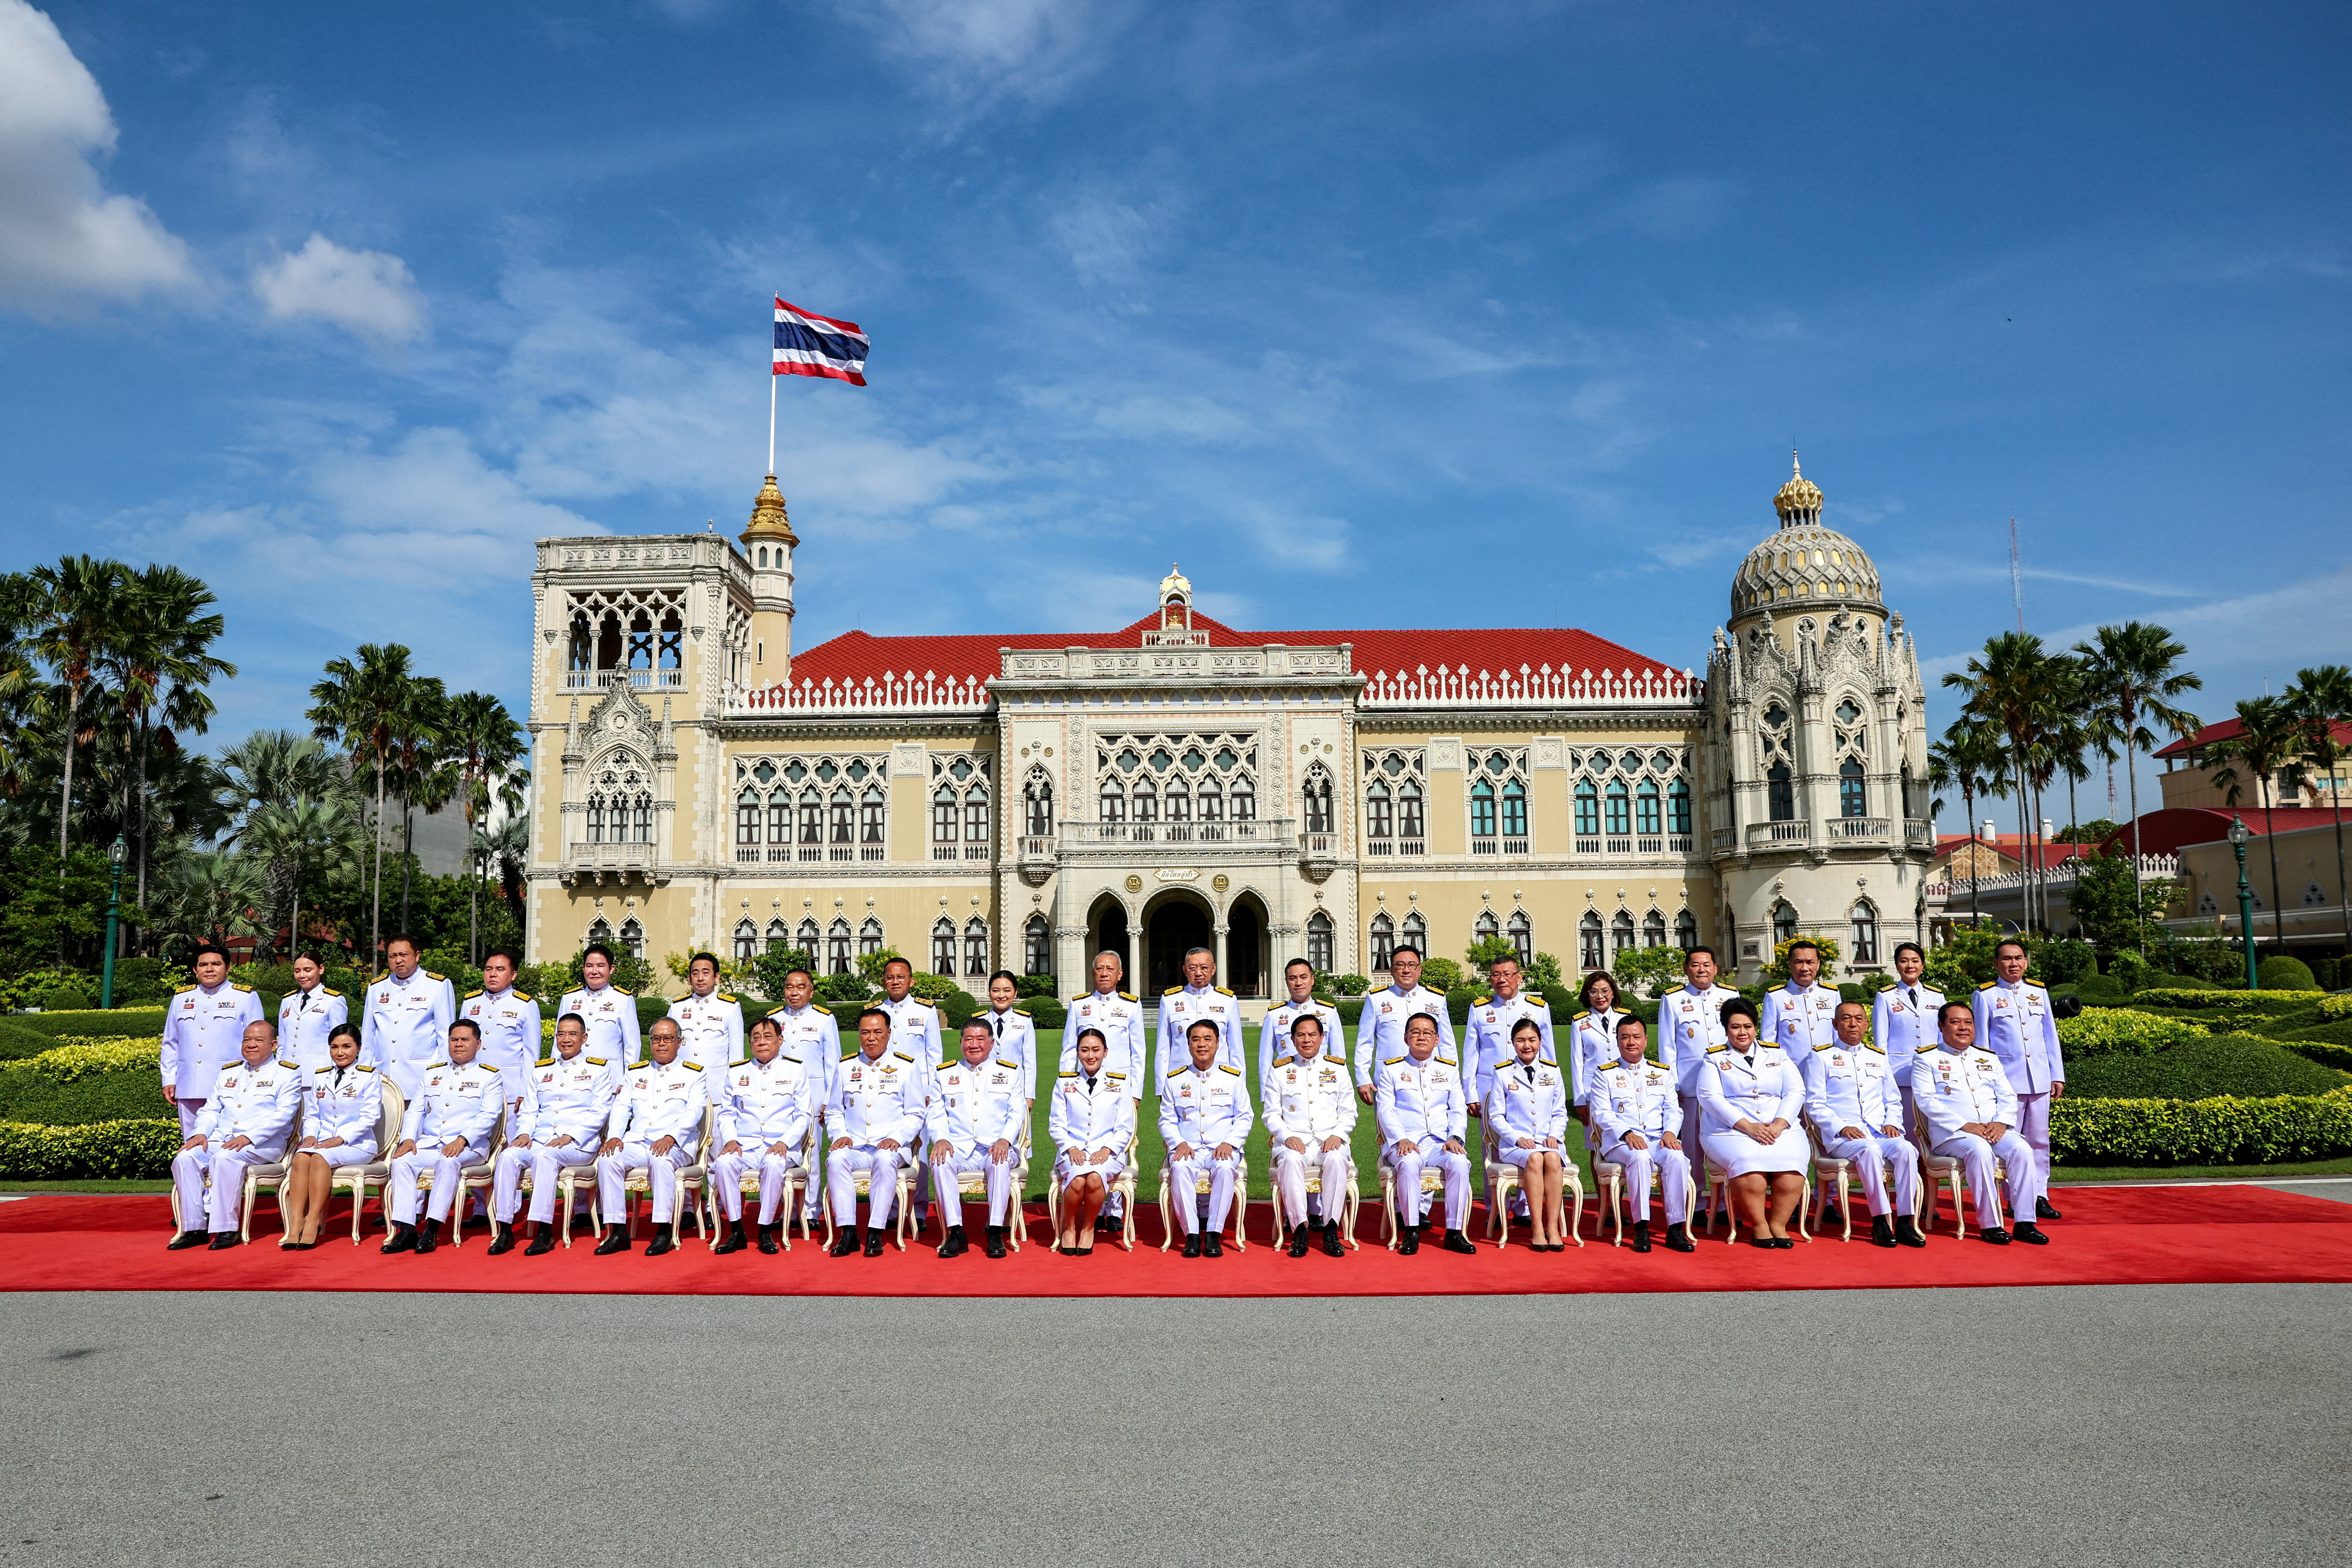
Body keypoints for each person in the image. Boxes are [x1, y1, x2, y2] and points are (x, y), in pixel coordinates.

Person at [486, 1012, 620, 1256]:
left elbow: (600, 1113)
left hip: (579, 1145)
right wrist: (525, 1133)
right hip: (540, 1139)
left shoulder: (598, 1070)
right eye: (561, 1034)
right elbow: (529, 1109)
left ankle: (543, 1231)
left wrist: (570, 1136)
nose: (566, 1040)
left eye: (572, 1035)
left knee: (546, 1157)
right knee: (507, 1157)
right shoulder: (541, 1070)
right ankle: (504, 1229)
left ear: (584, 1038)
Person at [1915, 1002, 2048, 1245]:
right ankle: (1990, 1224)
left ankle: (2025, 1222)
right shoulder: (1927, 1059)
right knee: (1980, 1150)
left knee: (2022, 1149)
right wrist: (1965, 1126)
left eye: (1968, 1022)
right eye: (1955, 1022)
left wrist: (2002, 1123)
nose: (1963, 1028)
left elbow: (2008, 1095)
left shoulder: (1987, 1058)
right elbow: (1927, 1101)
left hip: (1991, 1129)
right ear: (1942, 1026)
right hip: (1953, 1135)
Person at [167, 1020, 303, 1250]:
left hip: (262, 1144)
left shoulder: (287, 1073)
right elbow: (211, 1109)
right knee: (185, 1158)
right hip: (223, 1140)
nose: (252, 1045)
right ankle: (195, 1228)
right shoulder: (230, 1072)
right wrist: (199, 1133)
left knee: (224, 1158)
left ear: (274, 1045)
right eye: (247, 1040)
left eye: (259, 1040)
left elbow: (283, 1115)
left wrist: (249, 1137)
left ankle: (227, 1229)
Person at [1804, 1001, 1926, 1248]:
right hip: (1844, 1138)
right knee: (1869, 1151)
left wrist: (1893, 1123)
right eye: (1846, 1019)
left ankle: (1905, 1220)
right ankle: (1880, 1221)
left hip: (1878, 1132)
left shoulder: (1877, 1057)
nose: (1853, 1024)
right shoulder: (1821, 1057)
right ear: (1836, 1025)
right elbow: (1814, 1103)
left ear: (1867, 1025)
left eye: (1859, 1019)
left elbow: (1892, 1099)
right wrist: (1840, 1127)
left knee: (1908, 1150)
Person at [379, 1019, 503, 1255]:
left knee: (448, 1162)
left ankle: (432, 1229)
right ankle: (406, 1229)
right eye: (454, 1040)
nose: (459, 1044)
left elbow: (489, 1115)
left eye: (465, 1040)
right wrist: (408, 1139)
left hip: (470, 1147)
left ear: (478, 1044)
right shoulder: (433, 1074)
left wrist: (462, 1139)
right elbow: (415, 1109)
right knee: (402, 1161)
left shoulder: (490, 1076)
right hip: (432, 1144)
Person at [1695, 998, 1809, 1249]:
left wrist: (1779, 1124)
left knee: (1792, 1167)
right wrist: (1747, 1126)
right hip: (1729, 1131)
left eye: (1747, 1026)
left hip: (1779, 1127)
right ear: (1726, 1029)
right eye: (1735, 1027)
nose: (1742, 1032)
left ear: (1756, 1028)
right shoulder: (1714, 1059)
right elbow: (1709, 1097)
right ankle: (1759, 1226)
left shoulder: (1777, 1054)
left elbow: (1795, 1091)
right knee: (1750, 1167)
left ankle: (1778, 1225)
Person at [592, 1018, 708, 1256]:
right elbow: (622, 1107)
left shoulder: (694, 1074)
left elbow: (694, 1112)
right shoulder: (637, 1073)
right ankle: (618, 1231)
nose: (662, 1044)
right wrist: (615, 1136)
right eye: (657, 1039)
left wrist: (671, 1136)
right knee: (608, 1158)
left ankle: (664, 1231)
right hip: (639, 1141)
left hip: (676, 1144)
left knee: (661, 1158)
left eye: (668, 1039)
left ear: (679, 1042)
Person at [708, 1015, 820, 1256]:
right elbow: (727, 1113)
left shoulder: (795, 1069)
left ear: (780, 1040)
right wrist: (730, 1140)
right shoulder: (737, 1071)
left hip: (781, 1146)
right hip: (746, 1146)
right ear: (750, 1044)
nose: (762, 1042)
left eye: (768, 1037)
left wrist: (785, 1142)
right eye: (756, 1038)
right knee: (724, 1163)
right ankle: (737, 1230)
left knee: (772, 1162)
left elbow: (803, 1115)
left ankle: (765, 1229)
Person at [1971, 938, 2066, 1220]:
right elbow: (1983, 1044)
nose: (2014, 964)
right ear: (1996, 964)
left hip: (2038, 1079)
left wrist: (2056, 1074)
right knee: (2011, 1143)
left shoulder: (2038, 992)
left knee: (2039, 1141)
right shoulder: (1985, 995)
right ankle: (2015, 1199)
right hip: (2006, 1084)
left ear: (2026, 962)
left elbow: (2050, 1036)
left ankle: (2039, 1195)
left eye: (2019, 958)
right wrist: (1985, 1082)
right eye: (2007, 959)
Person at [1590, 1014, 1695, 1253]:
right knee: (1639, 1158)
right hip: (1621, 1143)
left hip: (1658, 1139)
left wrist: (1670, 1132)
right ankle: (1642, 1229)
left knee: (1678, 1158)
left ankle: (1676, 1229)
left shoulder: (1663, 1073)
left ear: (1646, 1041)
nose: (1631, 1042)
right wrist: (1627, 1133)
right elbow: (1601, 1113)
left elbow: (1673, 1109)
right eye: (1625, 1037)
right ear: (1617, 1041)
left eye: (1636, 1037)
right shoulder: (1604, 1074)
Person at [825, 1007, 924, 1258]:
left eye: (878, 1032)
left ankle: (875, 1232)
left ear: (889, 1034)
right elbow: (834, 1111)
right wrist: (840, 1136)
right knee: (836, 1159)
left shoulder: (906, 1066)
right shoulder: (846, 1066)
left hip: (891, 1147)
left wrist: (897, 1138)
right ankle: (848, 1231)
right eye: (865, 1033)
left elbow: (916, 1113)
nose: (871, 1038)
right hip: (856, 1145)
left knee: (883, 1159)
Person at [1375, 1011, 1476, 1255]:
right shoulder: (1391, 1070)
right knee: (1409, 1163)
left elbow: (1458, 1110)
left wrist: (1456, 1137)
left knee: (1461, 1163)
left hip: (1441, 1142)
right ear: (1406, 1038)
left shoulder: (1449, 1070)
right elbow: (1386, 1110)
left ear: (1437, 1039)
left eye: (1428, 1033)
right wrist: (1401, 1139)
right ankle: (1411, 1231)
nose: (1422, 1037)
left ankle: (1454, 1232)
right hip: (1407, 1141)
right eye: (1415, 1033)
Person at [928, 1018, 1027, 1258]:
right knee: (940, 1161)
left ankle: (995, 1231)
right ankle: (956, 1232)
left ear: (992, 1043)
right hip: (960, 1148)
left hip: (995, 1145)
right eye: (969, 1039)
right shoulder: (946, 1073)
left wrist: (1005, 1140)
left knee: (1000, 1161)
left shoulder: (1009, 1072)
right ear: (961, 1042)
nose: (975, 1044)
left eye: (981, 1039)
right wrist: (941, 1139)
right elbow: (935, 1112)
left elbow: (1017, 1112)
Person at [279, 1024, 383, 1249]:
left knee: (319, 1158)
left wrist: (341, 1139)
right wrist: (309, 1137)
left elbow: (369, 1118)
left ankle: (313, 1220)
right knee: (301, 1156)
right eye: (334, 1047)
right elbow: (313, 1115)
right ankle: (296, 1221)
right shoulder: (321, 1076)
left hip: (358, 1144)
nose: (340, 1052)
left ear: (359, 1048)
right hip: (323, 1142)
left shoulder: (369, 1076)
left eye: (347, 1046)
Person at [1063, 950, 1145, 1233]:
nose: (1104, 973)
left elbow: (1139, 1052)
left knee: (1115, 1144)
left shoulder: (1131, 1006)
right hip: (1084, 1085)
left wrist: (1136, 1092)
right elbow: (1067, 1050)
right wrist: (1066, 1083)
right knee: (1087, 1142)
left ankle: (1115, 1210)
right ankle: (1093, 1210)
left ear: (1120, 974)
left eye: (1110, 969)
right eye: (1100, 969)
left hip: (1118, 1088)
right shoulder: (1079, 1005)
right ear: (1093, 972)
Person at [1655, 947, 1738, 1217]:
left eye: (1706, 965)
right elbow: (1668, 1047)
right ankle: (1697, 1204)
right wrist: (1674, 1086)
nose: (1701, 970)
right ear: (1686, 969)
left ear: (1716, 968)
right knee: (1691, 1147)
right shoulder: (1673, 999)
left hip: (1726, 1086)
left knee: (1726, 1143)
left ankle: (1725, 1204)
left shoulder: (1730, 996)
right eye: (1695, 965)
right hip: (1690, 1088)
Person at [1265, 1011, 1356, 1258]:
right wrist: (1286, 1136)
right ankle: (1300, 1232)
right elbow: (1271, 1114)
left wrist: (1338, 1135)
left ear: (1322, 1037)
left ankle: (1331, 1231)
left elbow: (1349, 1112)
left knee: (1338, 1160)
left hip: (1329, 1140)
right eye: (1301, 1035)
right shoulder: (1280, 1070)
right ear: (1293, 1040)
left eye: (1312, 1035)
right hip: (1295, 1141)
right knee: (1291, 1161)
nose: (1307, 1040)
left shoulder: (1337, 1068)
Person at [1160, 1018, 1254, 1258]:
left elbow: (1245, 1117)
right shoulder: (1174, 1079)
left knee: (1224, 1170)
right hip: (1188, 1148)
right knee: (1179, 1169)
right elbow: (1167, 1120)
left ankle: (1214, 1234)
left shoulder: (1232, 1078)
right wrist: (1178, 1143)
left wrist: (1230, 1143)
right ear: (1188, 1044)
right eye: (1196, 1039)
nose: (1202, 1045)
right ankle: (1192, 1235)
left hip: (1220, 1148)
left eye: (1208, 1039)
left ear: (1218, 1043)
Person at [1481, 1018, 1572, 1251]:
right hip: (1516, 1145)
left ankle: (1553, 1228)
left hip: (1548, 1140)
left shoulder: (1553, 1071)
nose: (1527, 1045)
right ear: (1513, 1043)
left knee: (1551, 1157)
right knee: (1535, 1158)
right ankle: (1537, 1228)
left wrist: (1555, 1135)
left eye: (1532, 1040)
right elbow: (1496, 1117)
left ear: (1540, 1041)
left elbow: (1560, 1113)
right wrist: (1517, 1138)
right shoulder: (1502, 1073)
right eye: (1520, 1040)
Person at [159, 944, 266, 1134]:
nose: (209, 969)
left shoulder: (245, 997)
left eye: (216, 964)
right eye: (203, 965)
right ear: (195, 969)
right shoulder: (182, 998)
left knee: (227, 1142)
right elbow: (171, 1042)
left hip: (230, 1085)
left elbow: (257, 1044)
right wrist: (169, 1079)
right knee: (191, 1143)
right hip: (189, 1084)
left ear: (228, 967)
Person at [765, 968, 842, 1229]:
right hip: (780, 1094)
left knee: (811, 1151)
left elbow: (833, 1063)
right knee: (778, 1149)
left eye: (801, 987)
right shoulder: (773, 1018)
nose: (794, 992)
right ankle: (779, 1210)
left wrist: (829, 1100)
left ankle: (810, 1211)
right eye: (790, 987)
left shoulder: (824, 1019)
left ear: (811, 991)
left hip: (814, 1094)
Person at [1049, 1028, 1134, 1254]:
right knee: (1078, 1181)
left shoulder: (1119, 1083)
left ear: (1105, 1052)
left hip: (1108, 1150)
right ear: (1077, 1053)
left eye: (1096, 1050)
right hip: (1073, 1148)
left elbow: (1125, 1127)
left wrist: (1108, 1149)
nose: (1090, 1056)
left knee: (1095, 1178)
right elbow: (1056, 1124)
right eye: (1084, 1050)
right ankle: (1069, 1228)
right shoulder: (1065, 1082)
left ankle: (1088, 1229)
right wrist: (1071, 1148)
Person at [1353, 946, 1456, 1106]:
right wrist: (1362, 1078)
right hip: (1389, 1078)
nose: (1406, 970)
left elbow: (1447, 1043)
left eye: (1412, 965)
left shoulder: (1436, 998)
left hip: (1430, 1076)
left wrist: (1452, 1074)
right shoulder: (1376, 999)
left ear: (1420, 970)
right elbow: (1365, 1043)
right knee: (1388, 1127)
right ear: (1392, 970)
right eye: (1400, 965)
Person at [363, 934, 457, 1099]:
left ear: (417, 956)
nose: (398, 960)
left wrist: (441, 1077)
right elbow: (368, 1037)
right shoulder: (377, 987)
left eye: (404, 955)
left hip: (420, 1080)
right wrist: (363, 1074)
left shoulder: (437, 985)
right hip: (382, 1079)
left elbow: (446, 1038)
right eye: (393, 956)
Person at [460, 947, 543, 1120]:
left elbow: (531, 1053)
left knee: (506, 1142)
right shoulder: (470, 1002)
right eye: (488, 969)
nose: (492, 974)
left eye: (500, 969)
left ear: (513, 975)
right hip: (471, 1087)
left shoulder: (525, 1005)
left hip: (509, 1090)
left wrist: (525, 1091)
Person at [1871, 942, 1944, 1134]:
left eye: (1915, 961)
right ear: (1897, 966)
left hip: (1932, 1075)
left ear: (1923, 965)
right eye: (1904, 961)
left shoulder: (1937, 996)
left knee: (1934, 1129)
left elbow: (1944, 1037)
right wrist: (1884, 1075)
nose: (1910, 966)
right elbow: (1881, 1043)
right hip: (1900, 1075)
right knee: (1908, 1129)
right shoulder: (1885, 997)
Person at [1156, 947, 1243, 1092]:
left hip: (1219, 1078)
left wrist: (1240, 1084)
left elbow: (1236, 1049)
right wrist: (1162, 1088)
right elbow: (1163, 1049)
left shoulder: (1227, 1000)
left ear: (1213, 969)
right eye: (1192, 968)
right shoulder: (1170, 1000)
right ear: (1185, 970)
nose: (1198, 973)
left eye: (1204, 968)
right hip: (1180, 1078)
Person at [1257, 958, 1344, 1093]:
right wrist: (1266, 1093)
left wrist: (1340, 1089)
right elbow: (1265, 1059)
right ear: (1287, 982)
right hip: (1288, 1083)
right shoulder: (1274, 1015)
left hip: (1321, 1083)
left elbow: (1339, 1057)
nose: (1299, 983)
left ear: (1312, 980)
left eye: (1304, 977)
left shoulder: (1329, 1012)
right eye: (1293, 978)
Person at [560, 943, 642, 1067]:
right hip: (574, 1073)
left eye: (601, 966)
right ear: (583, 969)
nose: (594, 971)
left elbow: (632, 1046)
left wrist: (628, 1080)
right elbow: (560, 1040)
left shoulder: (623, 999)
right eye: (589, 966)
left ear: (611, 969)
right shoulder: (569, 998)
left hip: (609, 1076)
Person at [1566, 971, 1630, 1127]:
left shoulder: (1625, 1019)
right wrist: (1580, 1100)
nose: (1600, 996)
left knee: (1627, 1137)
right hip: (1592, 1090)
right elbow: (1577, 1062)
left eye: (1605, 991)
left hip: (1622, 1086)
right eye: (1594, 992)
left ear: (1613, 993)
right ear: (1588, 995)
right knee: (1595, 1141)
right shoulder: (1580, 1023)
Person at [668, 951, 746, 1076]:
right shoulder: (677, 1007)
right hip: (682, 1079)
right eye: (695, 974)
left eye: (706, 973)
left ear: (717, 977)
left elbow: (737, 1053)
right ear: (689, 979)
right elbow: (669, 1045)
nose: (700, 978)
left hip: (716, 1081)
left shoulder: (730, 1007)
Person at [276, 952, 350, 1073]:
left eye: (308, 970)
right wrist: (278, 1068)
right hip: (286, 1073)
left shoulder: (333, 1001)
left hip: (317, 1073)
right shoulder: (288, 1001)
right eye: (297, 971)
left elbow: (339, 1042)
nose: (302, 975)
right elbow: (282, 1043)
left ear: (321, 969)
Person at [980, 970, 1038, 1075]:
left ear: (1015, 993)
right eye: (996, 991)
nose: (1001, 996)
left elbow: (1030, 1064)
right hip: (986, 1084)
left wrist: (1028, 1092)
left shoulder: (1024, 1021)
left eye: (1007, 991)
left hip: (1014, 1086)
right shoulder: (979, 1021)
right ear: (989, 992)